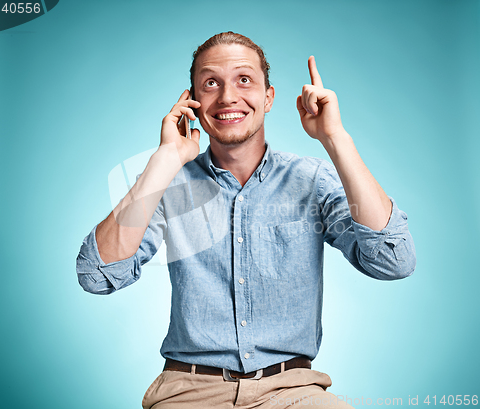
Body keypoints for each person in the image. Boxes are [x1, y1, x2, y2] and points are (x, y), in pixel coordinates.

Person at [76, 32, 416, 408]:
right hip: (188, 393)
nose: (226, 97)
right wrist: (164, 160)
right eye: (210, 83)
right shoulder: (167, 186)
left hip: (293, 392)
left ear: (268, 98)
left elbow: (393, 260)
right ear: (192, 102)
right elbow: (98, 275)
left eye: (244, 80)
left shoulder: (313, 180)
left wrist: (335, 137)